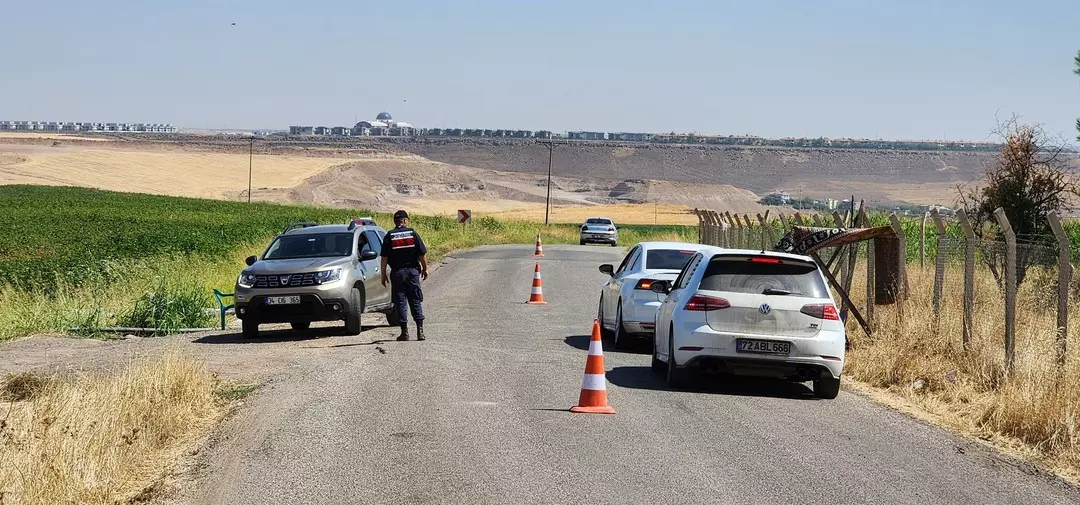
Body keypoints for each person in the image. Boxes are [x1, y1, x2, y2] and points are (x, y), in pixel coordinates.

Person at [380, 210, 429, 341]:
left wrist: (383, 274)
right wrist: (425, 269)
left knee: (400, 301)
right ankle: (420, 331)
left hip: (397, 273)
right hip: (412, 272)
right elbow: (422, 254)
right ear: (405, 221)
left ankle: (404, 332)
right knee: (415, 299)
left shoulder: (389, 236)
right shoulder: (412, 234)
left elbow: (384, 257)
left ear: (395, 222)